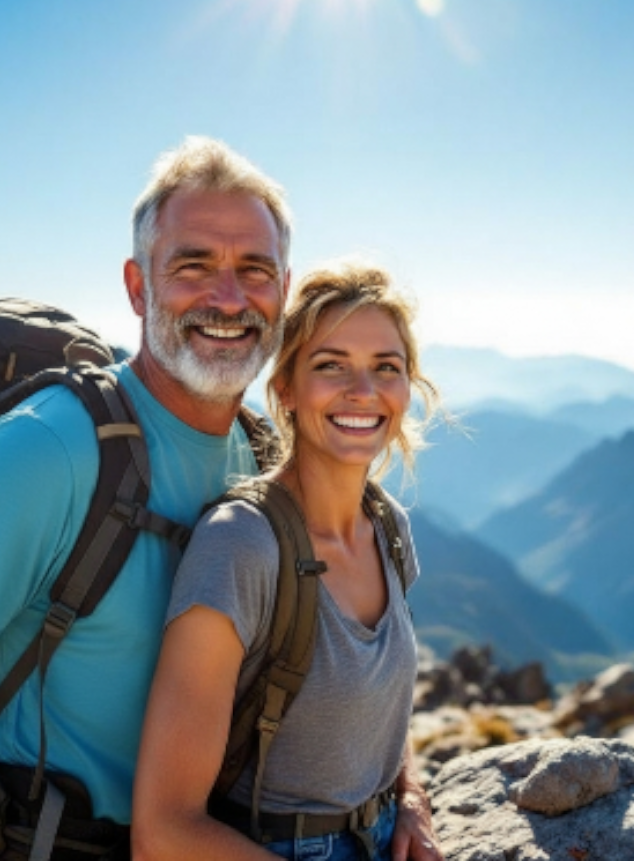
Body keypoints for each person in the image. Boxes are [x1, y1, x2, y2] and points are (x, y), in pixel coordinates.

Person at [0, 136, 293, 860]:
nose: (228, 297)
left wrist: (405, 795)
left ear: (283, 288)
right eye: (193, 265)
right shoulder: (50, 451)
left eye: (254, 270)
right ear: (137, 286)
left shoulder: (260, 457)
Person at [132, 260, 443, 861]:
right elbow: (162, 834)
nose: (364, 391)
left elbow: (376, 704)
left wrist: (410, 796)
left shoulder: (388, 529)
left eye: (387, 368)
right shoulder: (241, 546)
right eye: (331, 366)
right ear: (286, 391)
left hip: (378, 836)